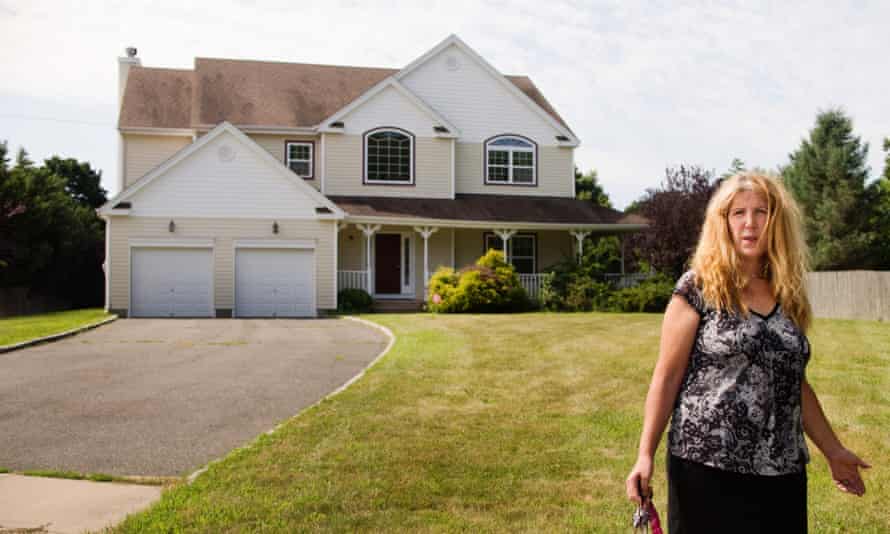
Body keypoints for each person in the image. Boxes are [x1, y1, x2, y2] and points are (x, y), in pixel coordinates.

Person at [625, 172, 870, 533]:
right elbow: (666, 377)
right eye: (738, 213)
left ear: (777, 221)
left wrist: (833, 450)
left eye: (761, 212)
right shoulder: (699, 287)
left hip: (781, 472)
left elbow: (794, 384)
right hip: (705, 468)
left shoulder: (788, 294)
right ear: (722, 222)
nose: (750, 223)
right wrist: (644, 454)